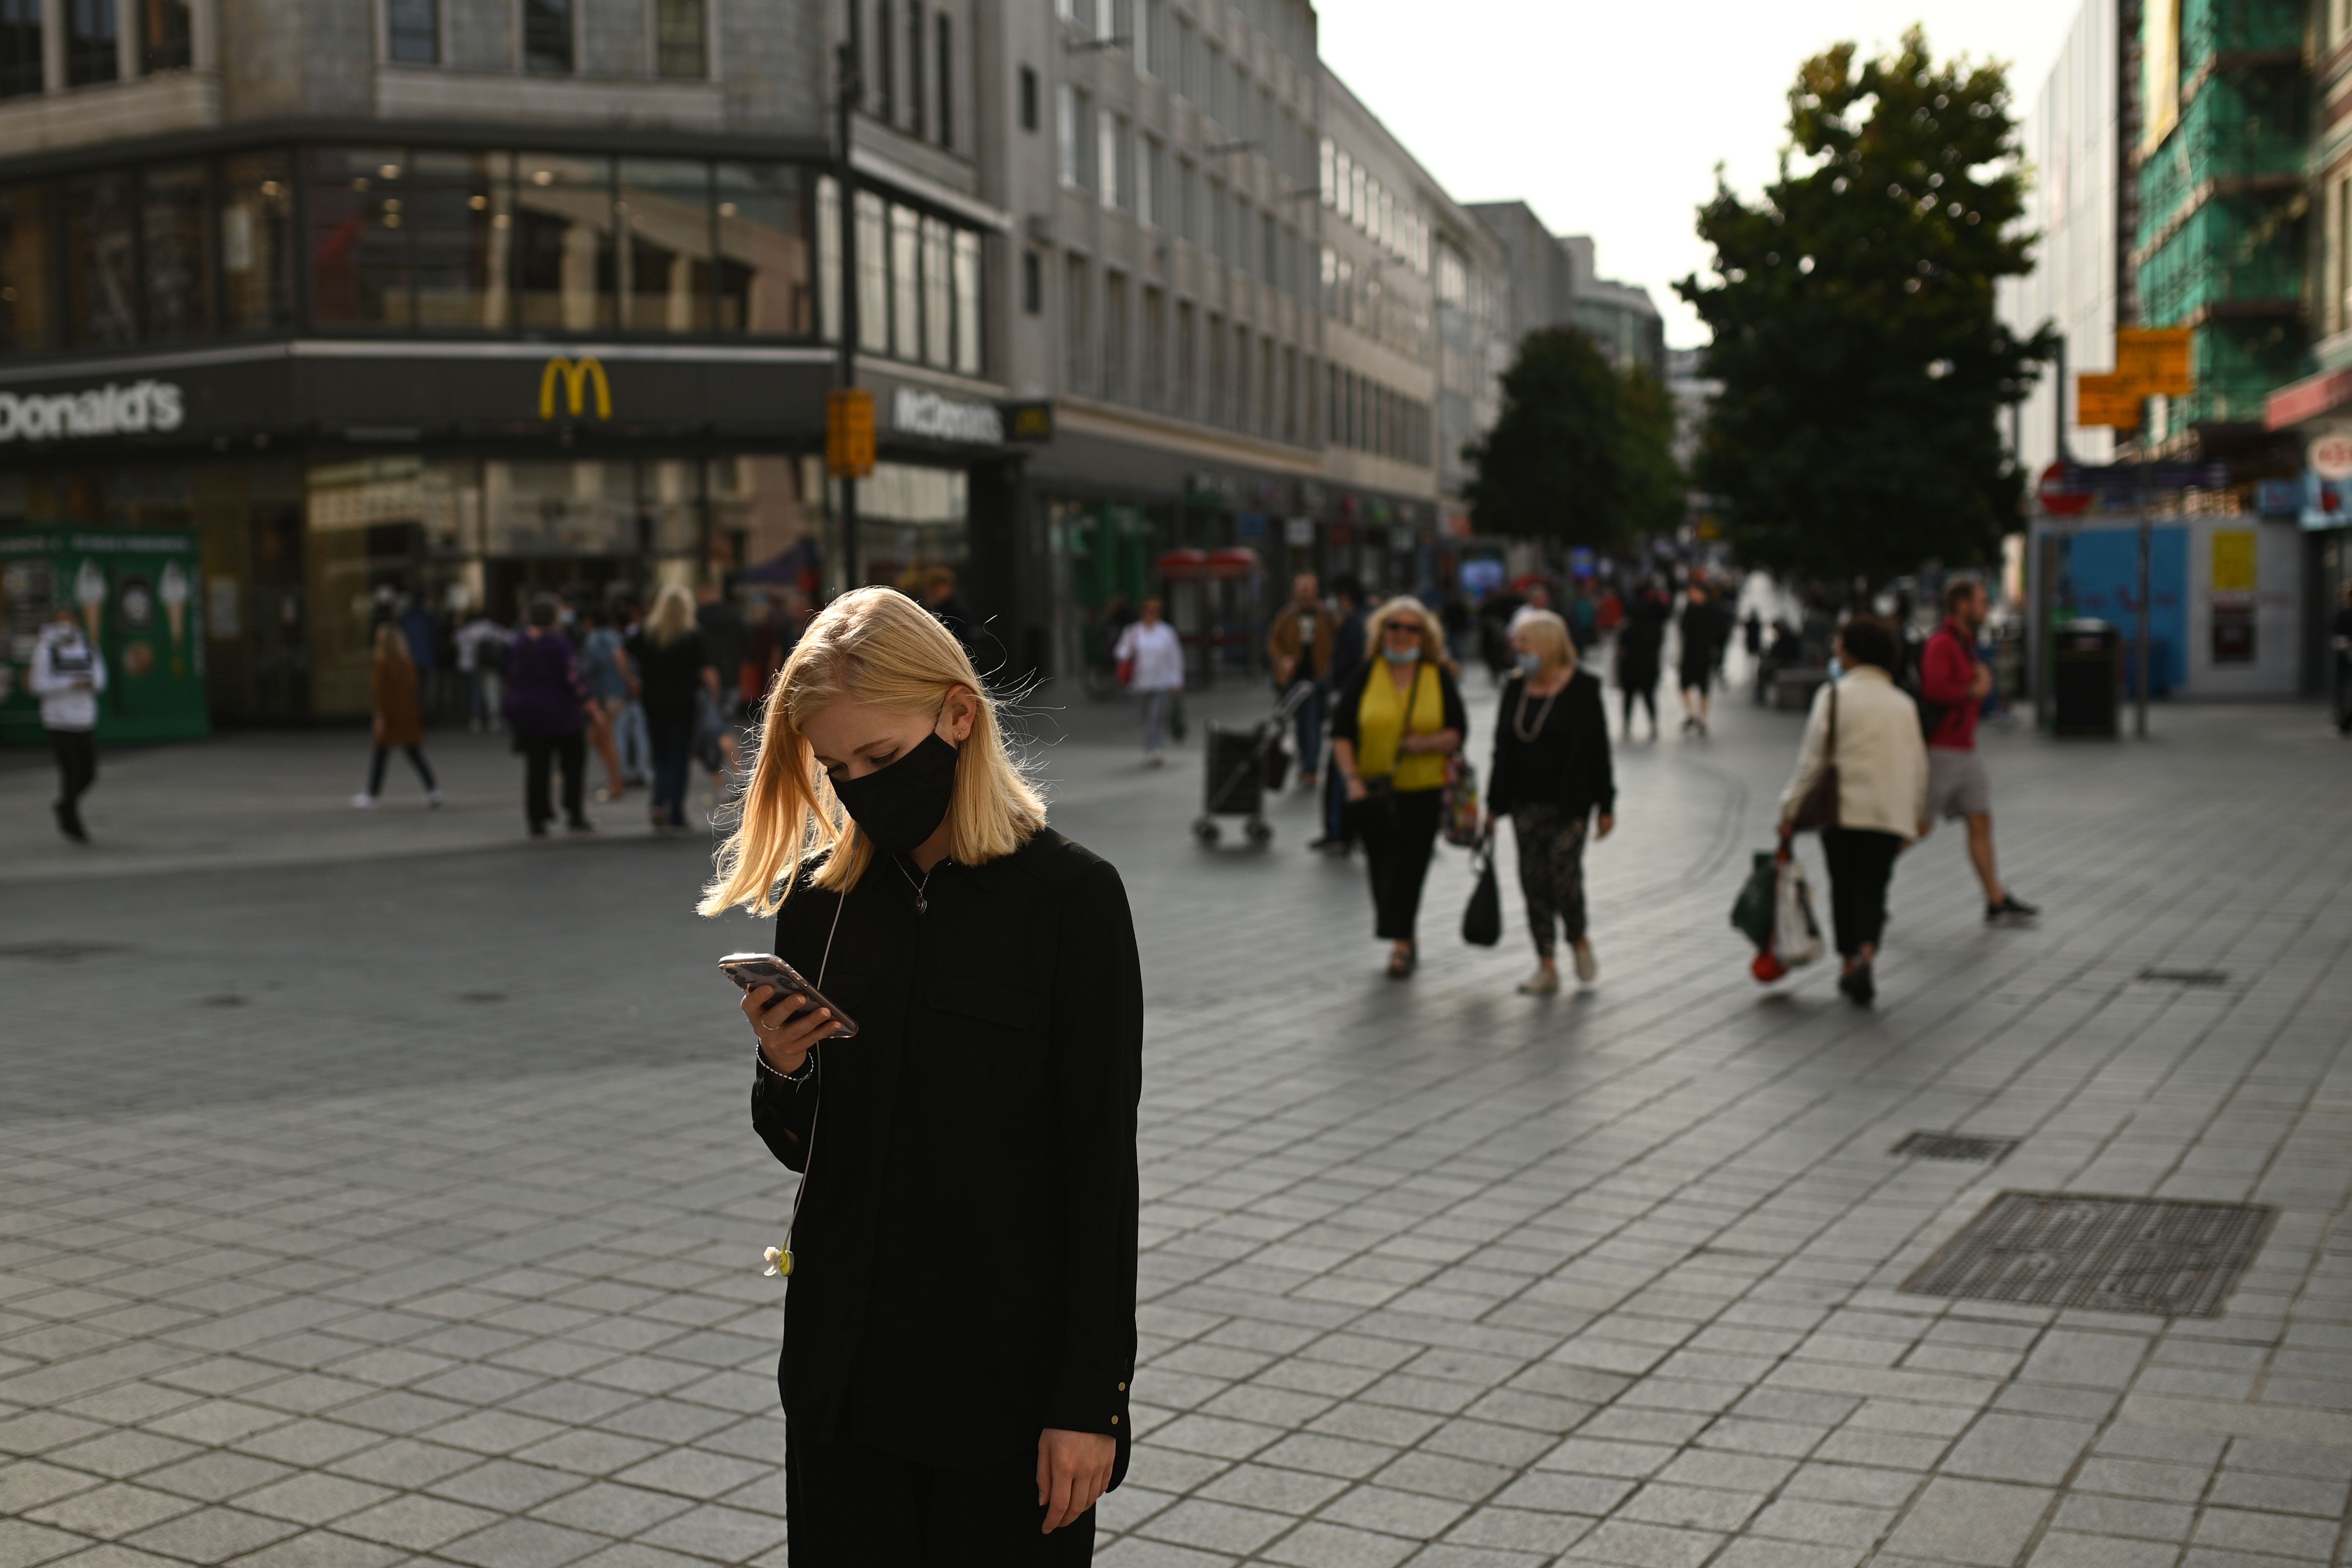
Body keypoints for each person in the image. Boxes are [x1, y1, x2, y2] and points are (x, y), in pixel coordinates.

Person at [705, 586, 1140, 1562]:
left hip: (1004, 1395)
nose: (859, 787)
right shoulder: (822, 901)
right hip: (844, 1381)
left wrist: (1090, 1401)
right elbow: (803, 1147)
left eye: (880, 757)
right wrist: (783, 1066)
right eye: (835, 769)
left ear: (957, 715)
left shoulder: (1070, 899)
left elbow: (1100, 1169)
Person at [1778, 616, 1928, 1006]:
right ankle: (1867, 955)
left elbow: (1812, 762)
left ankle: (1848, 964)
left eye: (1840, 645)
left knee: (1844, 885)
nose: (1835, 652)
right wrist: (1915, 815)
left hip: (1844, 810)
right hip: (1889, 812)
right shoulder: (1903, 704)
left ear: (1852, 653)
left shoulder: (1833, 696)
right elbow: (1918, 763)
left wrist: (1790, 808)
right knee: (1874, 887)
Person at [1331, 597, 1467, 978]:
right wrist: (1352, 780)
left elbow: (1458, 732)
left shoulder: (1437, 675)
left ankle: (1402, 942)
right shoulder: (1366, 673)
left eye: (1411, 628)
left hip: (1423, 789)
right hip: (1373, 790)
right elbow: (1341, 732)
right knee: (1381, 866)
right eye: (1394, 626)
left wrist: (1424, 743)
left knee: (1411, 865)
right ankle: (1401, 929)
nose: (1402, 635)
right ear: (1381, 631)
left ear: (1425, 636)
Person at [1487, 610, 1614, 993]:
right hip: (1525, 802)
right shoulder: (1515, 687)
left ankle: (1578, 936)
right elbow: (1502, 749)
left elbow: (1598, 749)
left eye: (1524, 642)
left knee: (1564, 873)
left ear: (1546, 643)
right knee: (1534, 881)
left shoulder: (1583, 688)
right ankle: (1546, 963)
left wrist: (1606, 804)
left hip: (1570, 803)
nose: (1517, 648)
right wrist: (1493, 805)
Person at [1918, 577, 2038, 925]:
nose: (1986, 609)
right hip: (1942, 751)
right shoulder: (1942, 643)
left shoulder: (1964, 643)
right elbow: (1935, 688)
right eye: (1982, 602)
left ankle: (1995, 900)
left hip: (1966, 750)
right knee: (1919, 827)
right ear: (1963, 606)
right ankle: (1869, 883)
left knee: (1980, 820)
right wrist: (1973, 689)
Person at [627, 584, 721, 832]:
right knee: (679, 758)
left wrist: (632, 681)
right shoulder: (692, 635)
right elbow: (707, 670)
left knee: (660, 756)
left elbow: (622, 653)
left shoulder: (646, 633)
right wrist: (714, 697)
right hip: (684, 703)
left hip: (653, 702)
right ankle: (676, 812)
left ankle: (658, 803)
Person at [505, 595, 599, 836]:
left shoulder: (520, 643)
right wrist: (591, 705)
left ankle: (537, 817)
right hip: (562, 715)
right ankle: (574, 811)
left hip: (529, 714)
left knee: (537, 768)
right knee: (573, 763)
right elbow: (573, 678)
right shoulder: (559, 645)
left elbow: (511, 675)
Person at [28, 605, 106, 844]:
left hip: (84, 719)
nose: (66, 626)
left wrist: (89, 683)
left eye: (69, 621)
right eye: (61, 621)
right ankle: (72, 822)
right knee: (71, 772)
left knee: (89, 773)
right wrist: (70, 684)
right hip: (58, 720)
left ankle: (64, 805)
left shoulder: (89, 647)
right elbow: (38, 686)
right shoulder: (46, 649)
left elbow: (101, 680)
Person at [354, 622, 442, 809]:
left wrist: (380, 717)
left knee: (381, 756)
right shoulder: (408, 663)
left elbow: (381, 694)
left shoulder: (382, 663)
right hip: (408, 715)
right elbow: (413, 690)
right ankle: (433, 790)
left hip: (390, 717)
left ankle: (373, 795)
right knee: (414, 754)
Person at [1312, 577, 1370, 851]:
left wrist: (1340, 694)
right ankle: (1344, 830)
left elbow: (1353, 666)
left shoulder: (1357, 625)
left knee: (1340, 772)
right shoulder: (1353, 623)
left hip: (1349, 708)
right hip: (1350, 705)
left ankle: (1340, 831)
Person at [1265, 573, 1332, 790]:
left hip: (1317, 677)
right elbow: (1274, 642)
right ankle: (1306, 764)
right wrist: (1283, 660)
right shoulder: (1286, 616)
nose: (1305, 593)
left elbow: (1336, 641)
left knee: (1312, 723)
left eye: (1309, 588)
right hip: (1293, 678)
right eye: (1302, 588)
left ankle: (1310, 767)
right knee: (1300, 723)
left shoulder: (1326, 615)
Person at [1112, 598, 1184, 764]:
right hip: (1140, 683)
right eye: (1148, 611)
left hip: (1162, 682)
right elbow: (1120, 654)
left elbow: (1175, 657)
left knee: (1156, 716)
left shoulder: (1167, 632)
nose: (1151, 615)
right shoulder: (1133, 631)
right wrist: (1129, 648)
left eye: (1154, 612)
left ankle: (1155, 749)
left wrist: (1177, 681)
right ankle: (1150, 747)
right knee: (1147, 717)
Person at [578, 607, 634, 803]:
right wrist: (630, 682)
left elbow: (590, 666)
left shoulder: (595, 638)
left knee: (602, 738)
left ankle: (616, 782)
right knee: (603, 737)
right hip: (617, 692)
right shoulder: (614, 636)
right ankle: (616, 781)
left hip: (604, 693)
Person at [1615, 581, 1670, 739]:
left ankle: (1627, 724)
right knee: (1649, 697)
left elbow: (1621, 649)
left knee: (1629, 698)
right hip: (1649, 667)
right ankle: (1653, 724)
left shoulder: (1628, 629)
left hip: (1630, 668)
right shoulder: (1655, 630)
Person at [1678, 582, 1724, 735]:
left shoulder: (1713, 609)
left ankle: (1703, 719)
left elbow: (1720, 632)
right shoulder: (1690, 608)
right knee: (1684, 685)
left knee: (1704, 687)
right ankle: (1691, 714)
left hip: (1705, 654)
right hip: (1690, 653)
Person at [456, 609, 508, 732]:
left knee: (476, 691)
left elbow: (457, 639)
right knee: (492, 691)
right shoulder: (494, 629)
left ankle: (476, 719)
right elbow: (509, 639)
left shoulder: (470, 629)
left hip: (475, 666)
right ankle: (494, 719)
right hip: (490, 666)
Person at [2331, 581, 2352, 735]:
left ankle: (2345, 723)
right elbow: (2336, 635)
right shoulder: (2342, 615)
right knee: (2343, 691)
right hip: (2345, 660)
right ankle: (2343, 721)